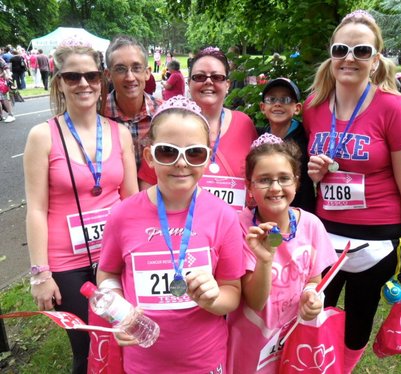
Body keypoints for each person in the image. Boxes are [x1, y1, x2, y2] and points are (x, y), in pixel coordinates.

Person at [303, 10, 401, 373]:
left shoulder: (393, 109)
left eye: (361, 51)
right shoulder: (314, 108)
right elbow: (308, 174)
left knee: (357, 325)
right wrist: (314, 172)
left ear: (375, 61)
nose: (349, 58)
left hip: (376, 240)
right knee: (312, 314)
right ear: (331, 54)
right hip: (324, 236)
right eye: (342, 49)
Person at [97, 95, 244, 373]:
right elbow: (107, 273)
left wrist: (214, 298)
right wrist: (118, 311)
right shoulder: (122, 215)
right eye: (168, 151)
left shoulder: (223, 216)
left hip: (204, 360)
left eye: (194, 153)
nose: (181, 163)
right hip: (142, 363)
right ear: (149, 156)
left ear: (207, 158)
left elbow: (232, 292)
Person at [23, 41, 138, 374]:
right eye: (73, 76)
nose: (83, 84)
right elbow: (35, 210)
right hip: (67, 264)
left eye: (90, 75)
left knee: (124, 335)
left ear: (101, 80)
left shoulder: (119, 133)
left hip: (114, 257)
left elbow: (130, 201)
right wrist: (39, 274)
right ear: (59, 80)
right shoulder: (42, 136)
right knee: (87, 347)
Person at [227, 133, 337, 373]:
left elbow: (313, 279)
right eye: (264, 180)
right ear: (249, 186)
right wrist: (265, 260)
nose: (275, 188)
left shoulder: (311, 225)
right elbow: (255, 302)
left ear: (296, 182)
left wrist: (312, 296)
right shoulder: (238, 228)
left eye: (283, 178)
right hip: (252, 344)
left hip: (296, 338)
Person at [138, 46, 258, 211]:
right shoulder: (168, 124)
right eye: (200, 77)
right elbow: (148, 186)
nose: (208, 81)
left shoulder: (244, 124)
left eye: (217, 77)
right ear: (189, 83)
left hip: (236, 230)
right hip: (182, 232)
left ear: (228, 84)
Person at [103, 35, 162, 170]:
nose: (130, 77)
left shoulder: (164, 113)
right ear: (108, 75)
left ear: (147, 73)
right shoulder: (96, 114)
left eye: (136, 68)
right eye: (120, 69)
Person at [258, 77, 316, 213]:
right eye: (271, 99)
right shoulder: (257, 137)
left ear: (297, 108)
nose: (278, 104)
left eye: (286, 100)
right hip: (265, 213)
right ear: (262, 107)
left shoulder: (307, 137)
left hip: (301, 215)